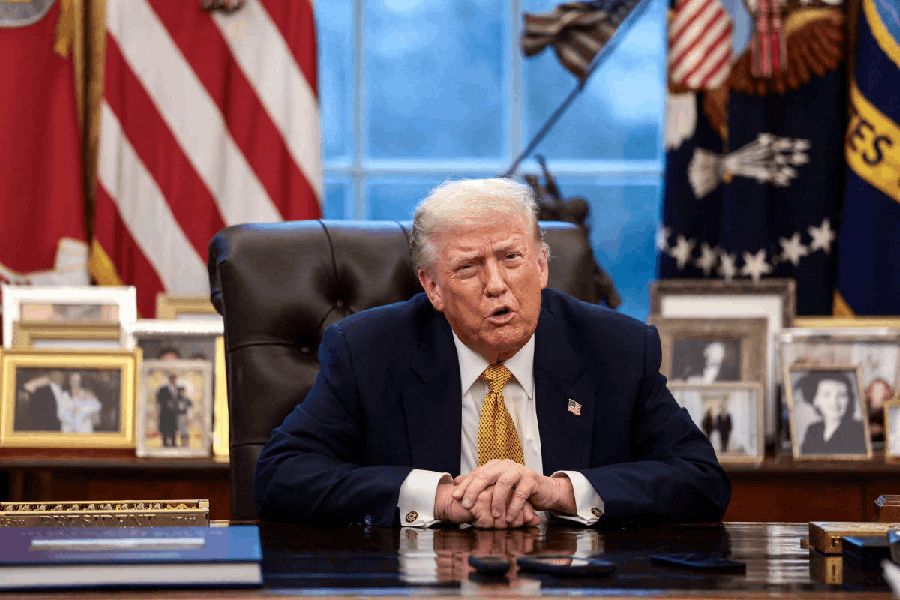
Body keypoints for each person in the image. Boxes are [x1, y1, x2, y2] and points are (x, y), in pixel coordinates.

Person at [253, 178, 731, 529]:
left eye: (511, 258)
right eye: (467, 267)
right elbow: (281, 478)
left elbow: (700, 480)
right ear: (433, 287)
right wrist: (436, 498)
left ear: (542, 266)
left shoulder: (617, 349)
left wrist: (558, 491)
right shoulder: (368, 351)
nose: (496, 285)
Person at [797, 370, 867, 455]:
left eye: (842, 395)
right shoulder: (813, 430)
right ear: (815, 400)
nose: (834, 402)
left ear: (849, 400)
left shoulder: (859, 430)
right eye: (827, 395)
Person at [157, 373, 179, 447]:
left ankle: (173, 443)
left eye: (174, 379)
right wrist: (166, 403)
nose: (173, 380)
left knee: (173, 428)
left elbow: (180, 400)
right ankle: (165, 443)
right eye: (172, 379)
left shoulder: (177, 389)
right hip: (165, 412)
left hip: (174, 413)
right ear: (169, 380)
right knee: (164, 428)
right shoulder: (163, 389)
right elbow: (159, 399)